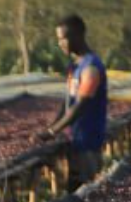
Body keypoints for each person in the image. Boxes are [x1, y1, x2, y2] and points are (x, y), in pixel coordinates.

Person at [39, 14, 107, 187]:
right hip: (75, 142)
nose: (60, 43)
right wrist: (51, 127)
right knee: (73, 191)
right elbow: (67, 102)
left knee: (87, 192)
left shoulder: (91, 67)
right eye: (58, 39)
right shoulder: (74, 67)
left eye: (64, 38)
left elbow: (80, 105)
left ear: (78, 35)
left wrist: (53, 131)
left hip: (88, 143)